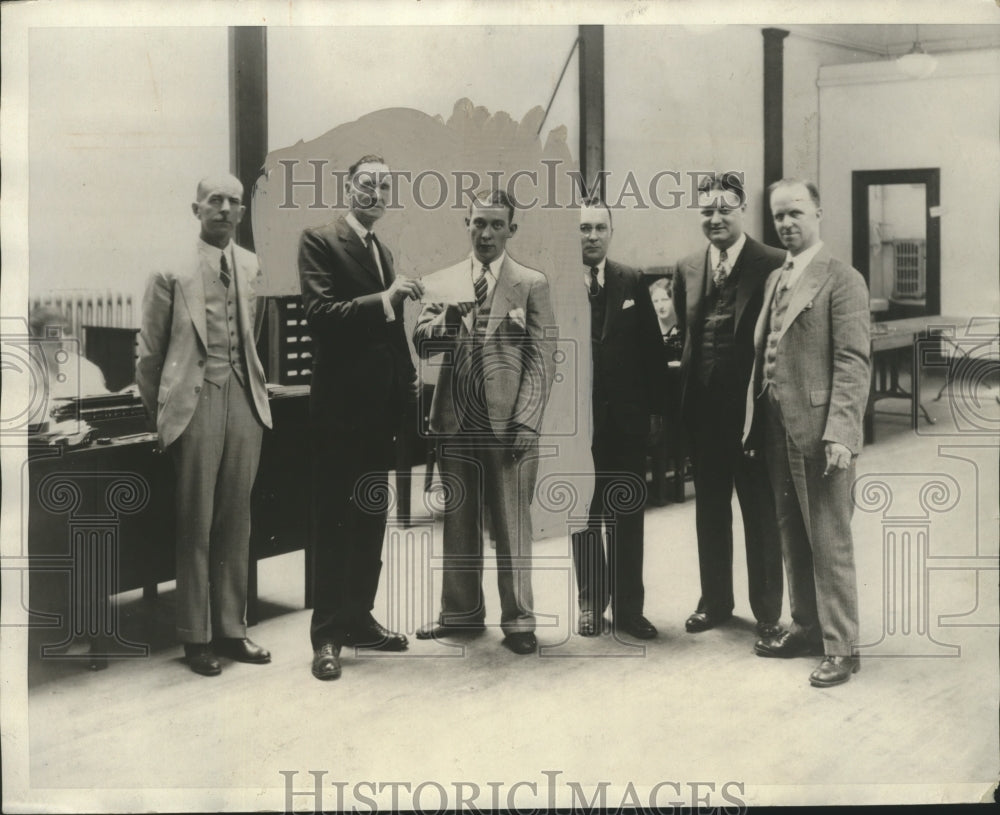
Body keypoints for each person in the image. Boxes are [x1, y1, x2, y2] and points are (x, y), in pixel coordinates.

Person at [136, 173, 273, 676]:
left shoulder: (251, 265)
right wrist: (162, 417)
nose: (224, 209)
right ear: (195, 209)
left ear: (241, 213)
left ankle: (231, 630)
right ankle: (196, 636)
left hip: (243, 399)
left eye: (233, 202)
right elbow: (149, 355)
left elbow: (249, 336)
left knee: (236, 519)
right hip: (193, 405)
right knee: (195, 520)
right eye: (214, 200)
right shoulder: (169, 270)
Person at [412, 189, 555, 655]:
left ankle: (519, 621)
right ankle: (460, 614)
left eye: (496, 224)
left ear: (512, 229)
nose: (486, 233)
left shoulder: (531, 283)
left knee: (512, 524)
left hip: (507, 421)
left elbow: (541, 360)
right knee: (457, 522)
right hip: (454, 420)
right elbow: (422, 343)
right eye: (477, 223)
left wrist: (527, 421)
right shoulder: (444, 281)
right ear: (465, 224)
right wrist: (448, 322)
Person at [298, 155, 424, 681]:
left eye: (385, 185)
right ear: (348, 188)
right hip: (339, 411)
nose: (376, 191)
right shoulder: (319, 240)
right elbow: (321, 315)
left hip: (380, 409)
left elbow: (388, 329)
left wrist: (410, 375)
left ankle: (359, 619)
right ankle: (326, 635)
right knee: (334, 520)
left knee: (371, 516)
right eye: (367, 183)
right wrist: (384, 298)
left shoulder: (383, 250)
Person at [746, 178, 870, 687]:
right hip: (776, 425)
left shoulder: (843, 279)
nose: (786, 224)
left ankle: (843, 647)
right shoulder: (777, 279)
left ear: (818, 212)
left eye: (796, 212)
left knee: (829, 539)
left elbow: (852, 360)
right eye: (778, 216)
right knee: (791, 534)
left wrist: (841, 432)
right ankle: (805, 626)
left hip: (820, 432)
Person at [673, 173, 786, 642]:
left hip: (752, 414)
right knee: (710, 510)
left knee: (759, 511)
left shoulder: (773, 263)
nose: (715, 218)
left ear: (742, 212)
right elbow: (688, 334)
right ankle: (715, 602)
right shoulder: (686, 266)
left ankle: (767, 612)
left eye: (725, 209)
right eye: (706, 210)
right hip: (704, 413)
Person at [571, 200, 663, 639]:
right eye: (584, 228)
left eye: (599, 228)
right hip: (579, 426)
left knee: (627, 515)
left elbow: (652, 352)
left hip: (625, 422)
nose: (591, 235)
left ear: (611, 232)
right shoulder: (557, 280)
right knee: (584, 516)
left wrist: (656, 414)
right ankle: (590, 603)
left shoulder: (631, 279)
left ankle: (629, 609)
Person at [29, 304, 111, 405]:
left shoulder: (85, 369)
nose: (62, 339)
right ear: (35, 338)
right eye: (54, 334)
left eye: (64, 333)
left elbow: (103, 403)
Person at [649, 278, 682, 362]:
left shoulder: (683, 327)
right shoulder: (648, 328)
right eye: (655, 301)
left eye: (664, 300)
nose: (660, 306)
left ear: (673, 300)